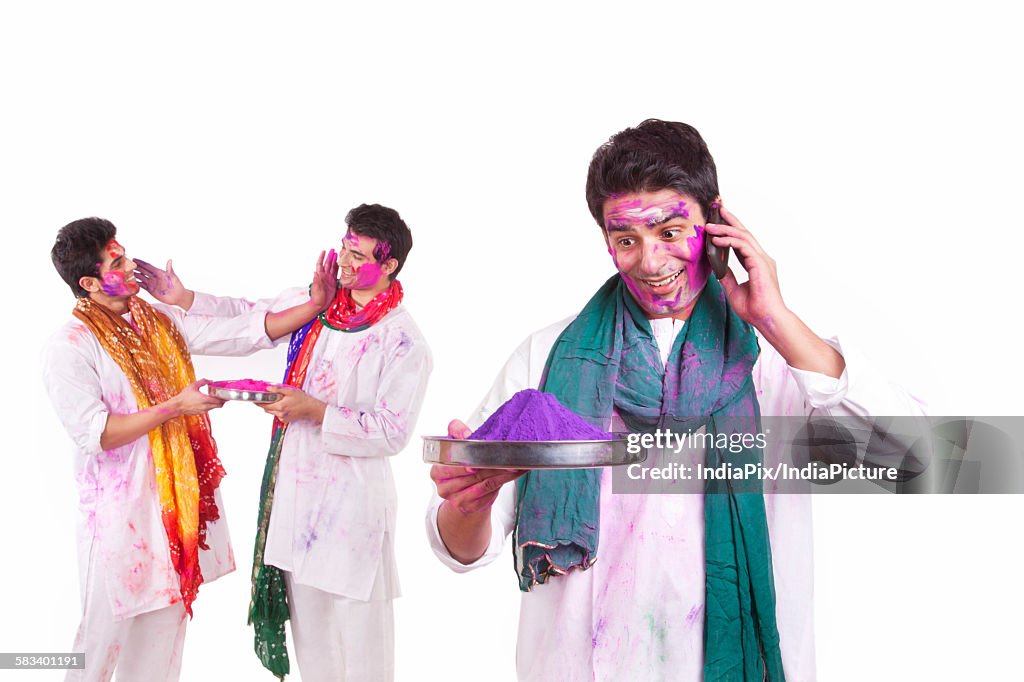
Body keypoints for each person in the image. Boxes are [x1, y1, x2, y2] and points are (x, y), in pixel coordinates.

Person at [426, 120, 925, 681]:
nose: (651, 262)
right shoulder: (547, 359)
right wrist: (467, 504)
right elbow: (460, 549)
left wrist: (777, 321)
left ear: (714, 221)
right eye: (626, 240)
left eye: (669, 231)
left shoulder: (776, 361)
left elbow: (915, 455)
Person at [141, 204, 432, 682]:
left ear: (390, 264)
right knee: (315, 656)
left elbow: (390, 432)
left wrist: (314, 411)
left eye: (358, 256)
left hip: (351, 517)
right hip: (295, 507)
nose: (345, 262)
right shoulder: (319, 303)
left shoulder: (402, 341)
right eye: (344, 248)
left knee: (364, 660)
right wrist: (186, 298)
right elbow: (250, 317)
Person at [43, 217, 337, 682]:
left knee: (163, 646)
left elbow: (244, 332)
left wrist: (315, 304)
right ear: (89, 282)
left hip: (173, 514)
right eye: (117, 261)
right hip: (119, 522)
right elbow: (97, 433)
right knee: (99, 645)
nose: (131, 266)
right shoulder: (71, 345)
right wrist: (178, 406)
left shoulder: (157, 320)